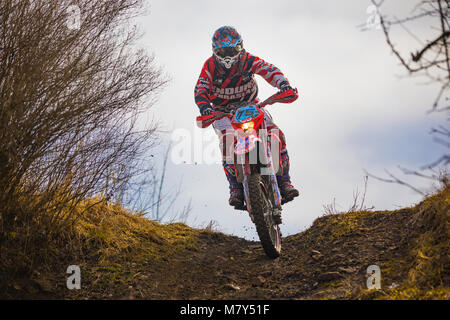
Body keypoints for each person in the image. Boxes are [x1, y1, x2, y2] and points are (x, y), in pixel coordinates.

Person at [194, 26, 299, 208]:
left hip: (251, 105)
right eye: (222, 51)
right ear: (214, 51)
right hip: (222, 111)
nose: (227, 55)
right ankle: (235, 187)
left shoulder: (248, 59)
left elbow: (268, 69)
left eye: (231, 50)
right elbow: (201, 88)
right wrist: (204, 107)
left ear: (240, 47)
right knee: (227, 141)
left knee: (276, 134)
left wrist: (283, 84)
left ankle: (285, 181)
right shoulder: (209, 66)